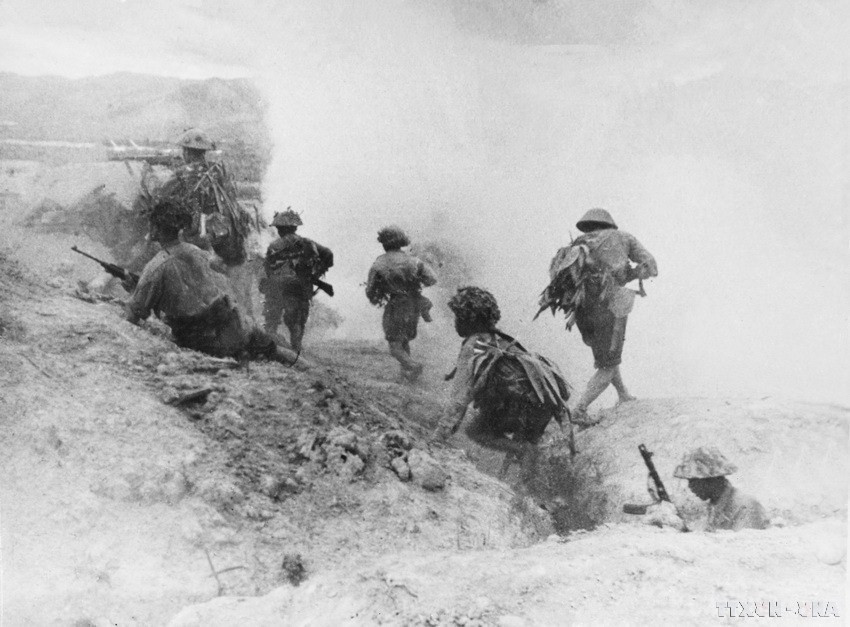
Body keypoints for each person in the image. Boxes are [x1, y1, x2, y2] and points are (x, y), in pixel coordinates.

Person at [124, 199, 302, 367]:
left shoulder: (155, 267)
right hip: (232, 324)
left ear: (156, 229)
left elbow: (133, 315)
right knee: (275, 350)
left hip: (204, 339)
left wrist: (133, 289)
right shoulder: (198, 252)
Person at [431, 287, 572, 478]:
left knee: (476, 430)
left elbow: (460, 397)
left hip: (517, 404)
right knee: (528, 445)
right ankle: (526, 492)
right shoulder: (500, 340)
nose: (456, 323)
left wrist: (439, 436)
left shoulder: (474, 345)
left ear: (469, 320)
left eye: (459, 317)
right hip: (541, 401)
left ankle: (522, 455)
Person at [565, 208, 657, 425]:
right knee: (608, 363)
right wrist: (634, 273)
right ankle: (579, 409)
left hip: (583, 307)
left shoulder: (579, 242)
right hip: (611, 306)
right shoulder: (623, 238)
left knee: (608, 355)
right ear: (609, 224)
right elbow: (650, 266)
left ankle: (623, 393)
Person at [156, 128, 255, 318]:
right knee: (240, 285)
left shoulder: (181, 174)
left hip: (202, 234)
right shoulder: (218, 169)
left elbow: (161, 195)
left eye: (184, 151)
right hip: (230, 232)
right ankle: (248, 322)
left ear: (186, 152)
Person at [365, 226, 437, 381]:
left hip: (396, 305)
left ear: (384, 244)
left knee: (394, 346)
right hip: (414, 305)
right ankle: (405, 374)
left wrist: (380, 294)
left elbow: (370, 291)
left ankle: (413, 366)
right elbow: (431, 279)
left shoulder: (379, 263)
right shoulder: (414, 261)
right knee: (403, 340)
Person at [260, 208, 334, 352]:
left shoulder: (274, 245)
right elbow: (328, 256)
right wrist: (316, 275)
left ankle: (271, 345)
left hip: (279, 286)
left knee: (272, 317)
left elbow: (268, 269)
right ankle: (296, 349)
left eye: (278, 228)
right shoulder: (308, 243)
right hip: (300, 286)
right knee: (297, 321)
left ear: (281, 229)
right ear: (294, 227)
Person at [674, 447, 768, 531]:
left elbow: (744, 545)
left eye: (693, 481)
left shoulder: (746, 506)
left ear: (711, 479)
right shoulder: (714, 506)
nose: (690, 487)